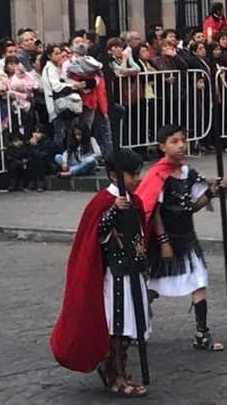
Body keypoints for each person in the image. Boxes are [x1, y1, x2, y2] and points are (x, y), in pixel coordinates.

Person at [50, 149, 150, 398]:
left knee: (131, 326)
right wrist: (113, 212)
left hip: (133, 272)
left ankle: (121, 371)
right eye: (132, 174)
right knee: (118, 326)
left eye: (139, 173)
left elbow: (139, 235)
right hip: (113, 276)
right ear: (114, 176)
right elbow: (94, 236)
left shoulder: (135, 201)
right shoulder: (103, 202)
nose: (137, 179)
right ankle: (113, 375)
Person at [136, 124, 226, 352]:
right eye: (174, 141)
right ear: (162, 146)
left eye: (182, 140)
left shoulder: (189, 173)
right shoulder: (158, 175)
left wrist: (211, 192)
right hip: (165, 239)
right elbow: (153, 211)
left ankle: (201, 333)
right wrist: (164, 241)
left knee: (199, 280)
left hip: (188, 238)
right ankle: (136, 324)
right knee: (153, 286)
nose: (180, 146)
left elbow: (193, 207)